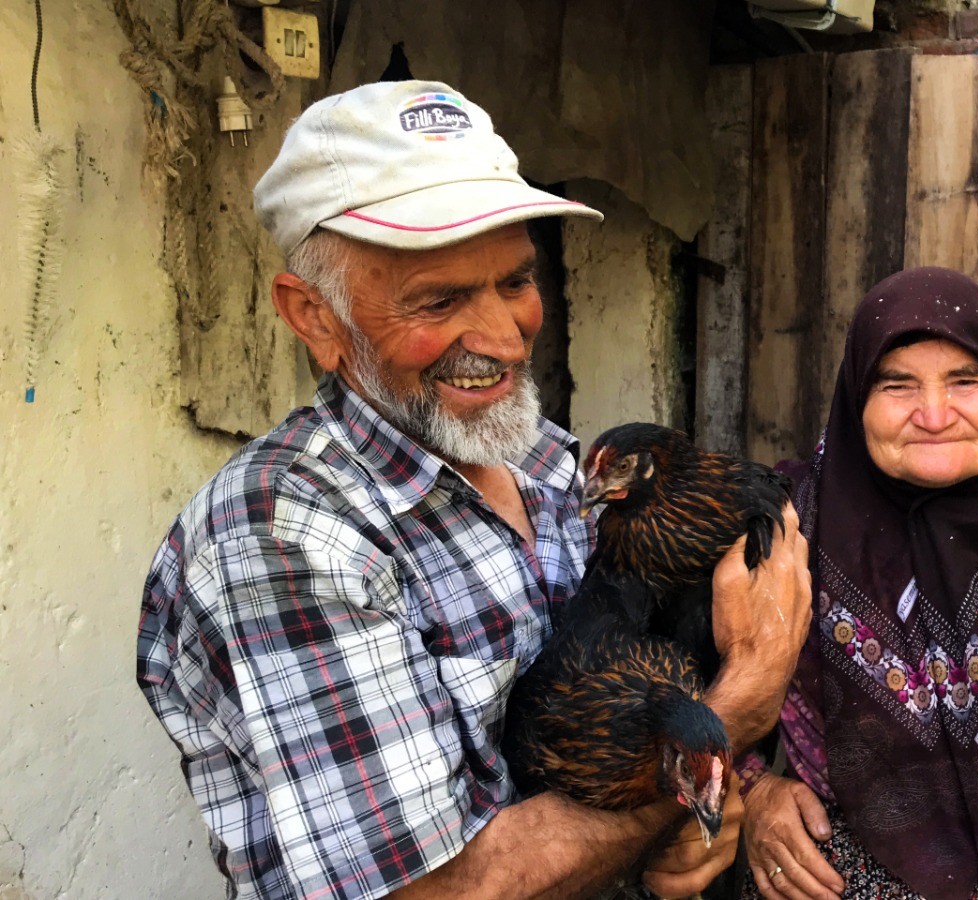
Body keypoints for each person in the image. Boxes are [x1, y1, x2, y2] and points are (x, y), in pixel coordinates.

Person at [135, 80, 812, 900]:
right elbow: (435, 892)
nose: (501, 336)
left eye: (517, 281)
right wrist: (739, 699)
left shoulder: (554, 468)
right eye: (441, 298)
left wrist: (691, 821)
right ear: (315, 316)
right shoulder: (288, 534)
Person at [736, 267, 978, 900]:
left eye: (965, 381)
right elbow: (712, 698)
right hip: (844, 872)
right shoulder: (785, 530)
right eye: (897, 385)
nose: (934, 414)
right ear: (855, 399)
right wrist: (753, 792)